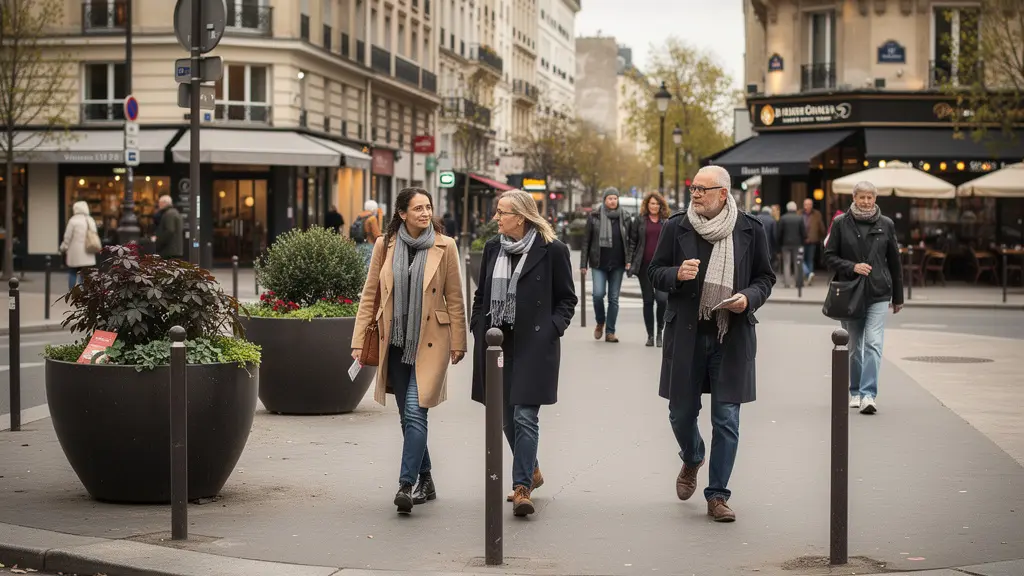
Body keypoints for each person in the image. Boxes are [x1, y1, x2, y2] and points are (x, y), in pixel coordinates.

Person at [648, 165, 775, 523]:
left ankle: (718, 495)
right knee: (680, 413)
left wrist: (748, 298)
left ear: (723, 193)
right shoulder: (677, 226)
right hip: (686, 335)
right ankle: (692, 456)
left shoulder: (750, 228)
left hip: (730, 334)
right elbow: (654, 271)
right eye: (693, 188)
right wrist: (675, 274)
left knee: (726, 418)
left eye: (703, 189)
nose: (696, 194)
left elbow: (765, 277)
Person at [351, 187, 468, 514]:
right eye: (418, 208)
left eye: (428, 207)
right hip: (395, 342)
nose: (425, 213)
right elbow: (370, 293)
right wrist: (358, 340)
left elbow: (455, 298)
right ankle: (426, 479)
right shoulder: (384, 245)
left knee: (416, 412)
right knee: (408, 416)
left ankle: (406, 484)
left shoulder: (446, 246)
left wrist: (459, 341)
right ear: (402, 213)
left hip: (431, 342)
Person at [470, 190, 577, 517]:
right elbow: (481, 295)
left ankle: (521, 488)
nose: (496, 218)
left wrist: (552, 329)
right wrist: (478, 326)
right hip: (497, 343)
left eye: (502, 212)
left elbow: (567, 299)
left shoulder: (553, 250)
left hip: (534, 344)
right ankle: (532, 469)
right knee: (505, 418)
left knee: (524, 416)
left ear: (521, 216)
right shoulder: (493, 248)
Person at [823, 181, 904, 415]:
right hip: (850, 293)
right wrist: (852, 267)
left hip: (879, 292)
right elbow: (829, 256)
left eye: (870, 197)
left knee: (874, 343)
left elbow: (895, 263)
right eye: (862, 197)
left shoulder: (886, 224)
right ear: (854, 198)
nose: (866, 202)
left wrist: (898, 297)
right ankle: (856, 391)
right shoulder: (841, 223)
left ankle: (869, 394)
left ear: (875, 199)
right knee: (854, 346)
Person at [580, 187, 629, 342]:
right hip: (598, 263)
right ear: (604, 200)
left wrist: (629, 260)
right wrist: (583, 263)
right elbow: (586, 241)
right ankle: (600, 321)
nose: (613, 201)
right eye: (610, 198)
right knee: (597, 295)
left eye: (615, 198)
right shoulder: (594, 216)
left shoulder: (625, 216)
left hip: (618, 264)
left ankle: (610, 332)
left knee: (613, 299)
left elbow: (630, 241)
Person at [627, 191, 670, 347]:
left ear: (661, 206)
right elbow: (633, 241)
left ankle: (660, 332)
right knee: (648, 300)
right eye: (652, 203)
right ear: (647, 205)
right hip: (644, 265)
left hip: (662, 266)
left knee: (662, 300)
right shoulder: (640, 221)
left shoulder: (666, 222)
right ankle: (650, 335)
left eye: (657, 204)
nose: (654, 206)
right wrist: (629, 261)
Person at [60, 201, 98, 291]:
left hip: (75, 252)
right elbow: (94, 233)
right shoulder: (90, 220)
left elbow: (67, 237)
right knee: (84, 273)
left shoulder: (73, 221)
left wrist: (63, 247)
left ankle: (72, 292)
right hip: (88, 251)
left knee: (73, 272)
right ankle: (83, 292)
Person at [776, 201, 806, 288]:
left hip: (785, 244)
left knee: (786, 263)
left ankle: (787, 283)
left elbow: (779, 233)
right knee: (797, 263)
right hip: (797, 243)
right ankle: (798, 282)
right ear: (795, 208)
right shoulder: (799, 218)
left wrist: (780, 243)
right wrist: (802, 241)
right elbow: (803, 232)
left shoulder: (783, 218)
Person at [801, 198, 827, 285]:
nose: (808, 206)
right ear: (804, 205)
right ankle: (808, 274)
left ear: (812, 205)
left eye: (809, 204)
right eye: (806, 204)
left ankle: (809, 279)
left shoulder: (817, 214)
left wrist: (822, 236)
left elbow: (821, 227)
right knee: (800, 259)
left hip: (812, 240)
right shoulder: (799, 213)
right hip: (801, 240)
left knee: (810, 259)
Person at [150, 195, 183, 259]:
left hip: (169, 250)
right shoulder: (175, 212)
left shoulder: (169, 214)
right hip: (175, 249)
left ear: (164, 203)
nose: (159, 205)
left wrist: (159, 241)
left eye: (160, 203)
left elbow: (170, 230)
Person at [352, 200, 382, 267]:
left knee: (361, 265)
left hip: (359, 245)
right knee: (368, 266)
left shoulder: (360, 217)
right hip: (369, 244)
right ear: (373, 208)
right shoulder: (372, 219)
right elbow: (377, 234)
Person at [751, 204, 778, 270]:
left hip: (757, 243)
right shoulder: (772, 220)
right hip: (769, 244)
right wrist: (775, 247)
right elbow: (774, 235)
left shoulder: (756, 218)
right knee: (768, 260)